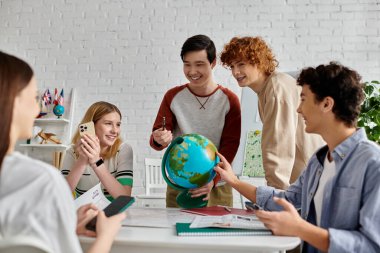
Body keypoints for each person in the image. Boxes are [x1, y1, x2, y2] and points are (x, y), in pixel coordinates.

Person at [214, 62, 380, 252]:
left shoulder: (373, 163)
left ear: (326, 104)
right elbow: (289, 199)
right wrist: (234, 181)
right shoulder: (319, 160)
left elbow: (372, 245)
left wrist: (300, 228)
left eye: (303, 99)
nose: (298, 109)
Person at [0, 51, 125, 253]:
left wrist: (66, 224)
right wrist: (107, 234)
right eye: (34, 98)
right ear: (11, 101)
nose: (37, 109)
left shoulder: (122, 150)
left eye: (117, 124)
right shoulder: (42, 180)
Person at [220, 36, 324, 190]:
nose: (236, 72)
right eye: (232, 66)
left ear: (259, 62)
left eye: (241, 64)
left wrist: (274, 196)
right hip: (308, 179)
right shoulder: (268, 89)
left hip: (311, 179)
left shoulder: (276, 89)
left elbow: (278, 146)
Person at [149, 34, 241, 207]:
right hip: (181, 184)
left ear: (213, 63)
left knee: (217, 234)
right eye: (187, 64)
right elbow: (157, 139)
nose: (192, 72)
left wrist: (213, 181)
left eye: (199, 64)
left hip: (217, 186)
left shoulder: (229, 100)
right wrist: (159, 138)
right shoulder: (172, 96)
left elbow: (230, 147)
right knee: (174, 232)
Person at [62, 101, 133, 201]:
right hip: (85, 213)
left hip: (113, 213)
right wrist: (82, 160)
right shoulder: (72, 152)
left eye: (118, 124)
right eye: (108, 123)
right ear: (91, 125)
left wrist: (96, 162)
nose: (115, 131)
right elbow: (62, 195)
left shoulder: (123, 150)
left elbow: (124, 198)